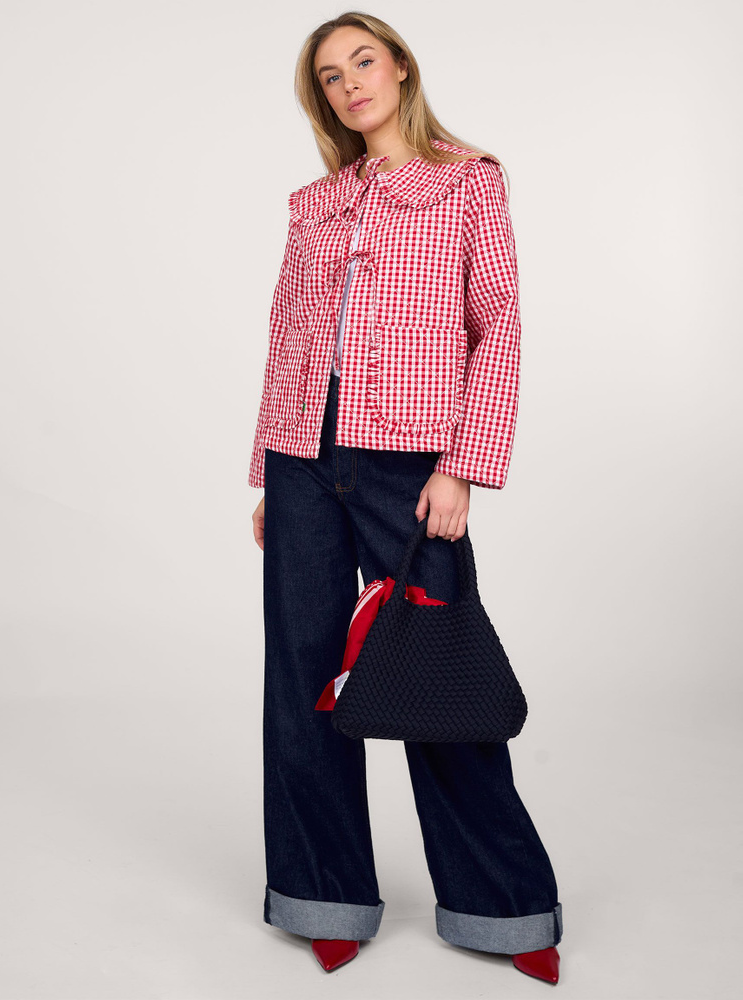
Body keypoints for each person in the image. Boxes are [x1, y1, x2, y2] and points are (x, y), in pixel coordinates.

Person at [248, 11, 563, 985]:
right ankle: (324, 896)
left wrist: (462, 464)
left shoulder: (468, 181)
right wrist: (265, 471)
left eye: (363, 62)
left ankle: (503, 909)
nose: (350, 84)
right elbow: (286, 332)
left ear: (400, 70)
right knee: (302, 679)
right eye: (330, 75)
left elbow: (499, 325)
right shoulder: (315, 203)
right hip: (303, 454)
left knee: (436, 676)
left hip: (412, 462)